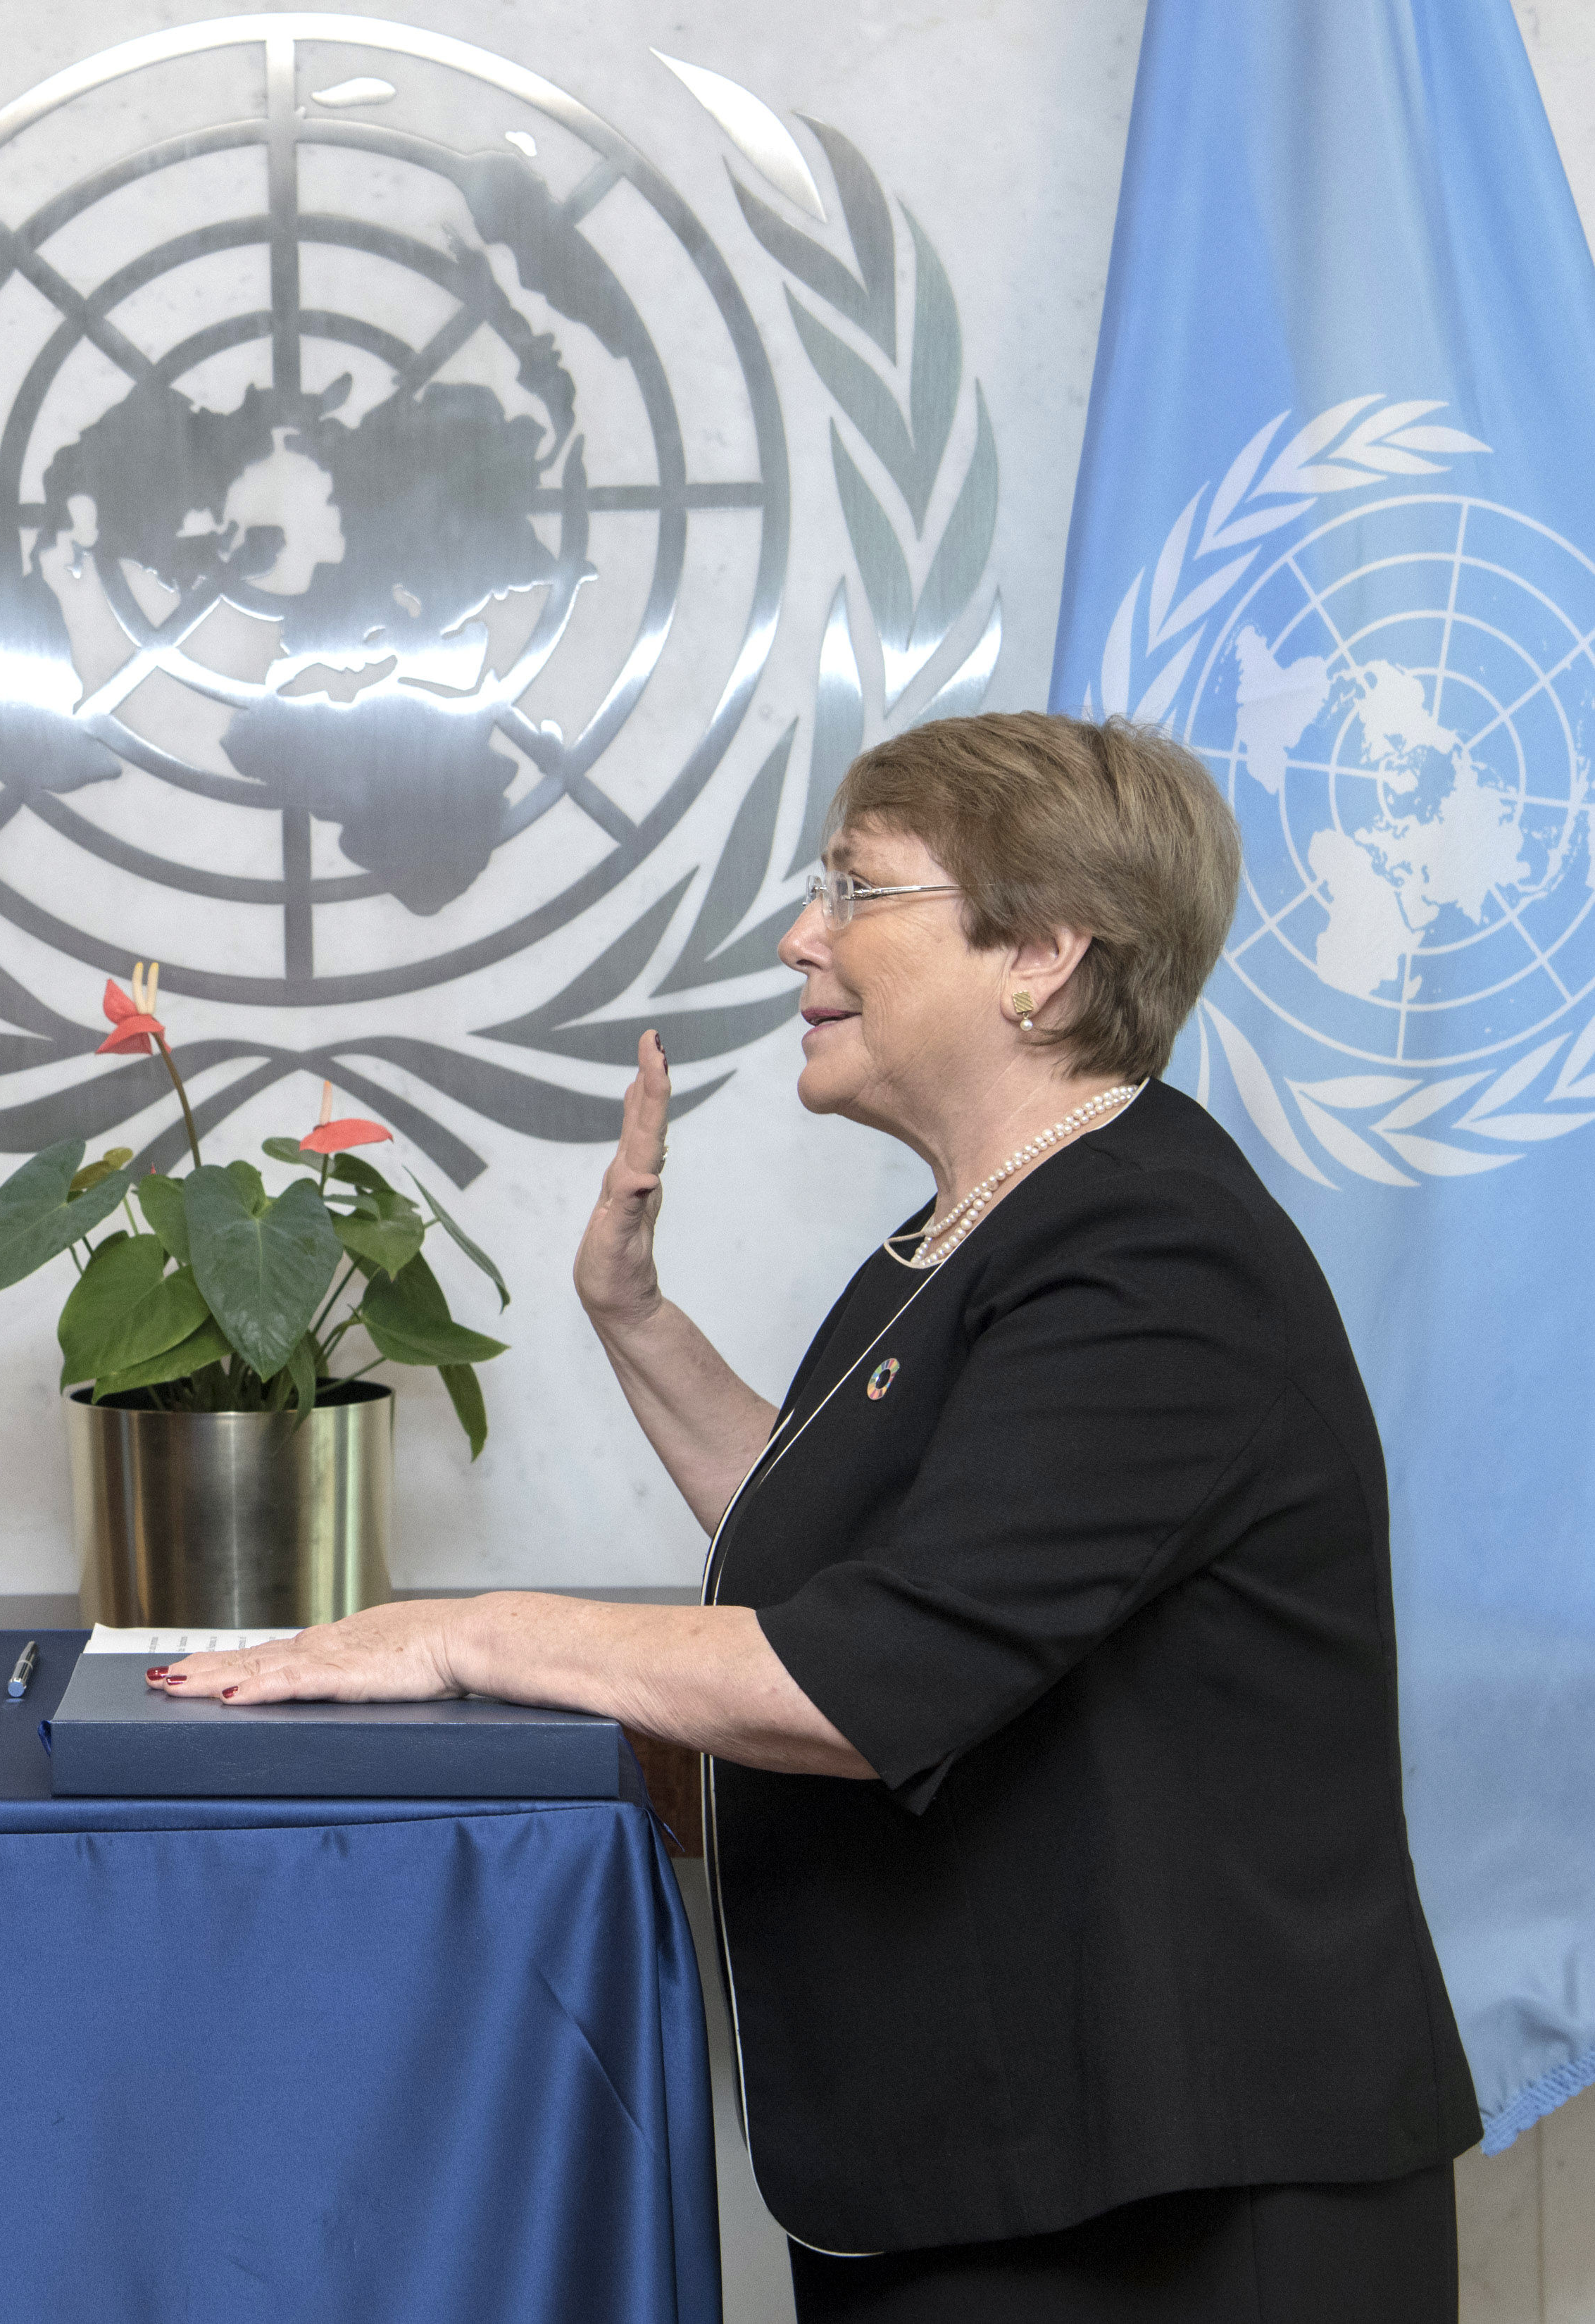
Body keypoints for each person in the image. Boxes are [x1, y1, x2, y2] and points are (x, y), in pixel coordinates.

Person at [149, 713, 1477, 2320]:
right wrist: (636, 1320)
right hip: (994, 2164)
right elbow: (855, 1558)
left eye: (857, 891)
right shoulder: (982, 1229)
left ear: (1040, 956)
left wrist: (469, 1634)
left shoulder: (1151, 1260)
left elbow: (873, 1675)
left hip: (1168, 2207)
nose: (801, 935)